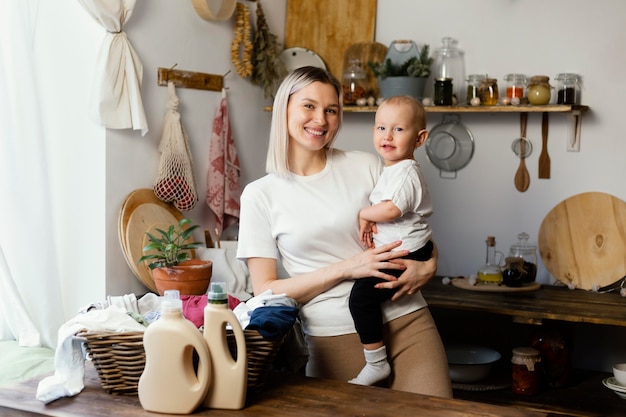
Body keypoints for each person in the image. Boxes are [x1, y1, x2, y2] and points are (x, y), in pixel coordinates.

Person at [236, 66, 452, 398]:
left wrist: (428, 266)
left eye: (331, 110)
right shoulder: (260, 195)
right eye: (309, 106)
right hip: (335, 337)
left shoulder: (367, 165)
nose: (320, 119)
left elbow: (416, 232)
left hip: (408, 321)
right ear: (285, 109)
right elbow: (266, 290)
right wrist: (348, 268)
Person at [348, 96, 434, 386]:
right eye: (381, 127)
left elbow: (392, 209)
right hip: (409, 247)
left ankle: (376, 362)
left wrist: (365, 213)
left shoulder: (406, 171)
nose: (387, 135)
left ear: (419, 138)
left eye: (398, 129)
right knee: (365, 297)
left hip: (408, 252)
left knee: (360, 299)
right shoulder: (392, 169)